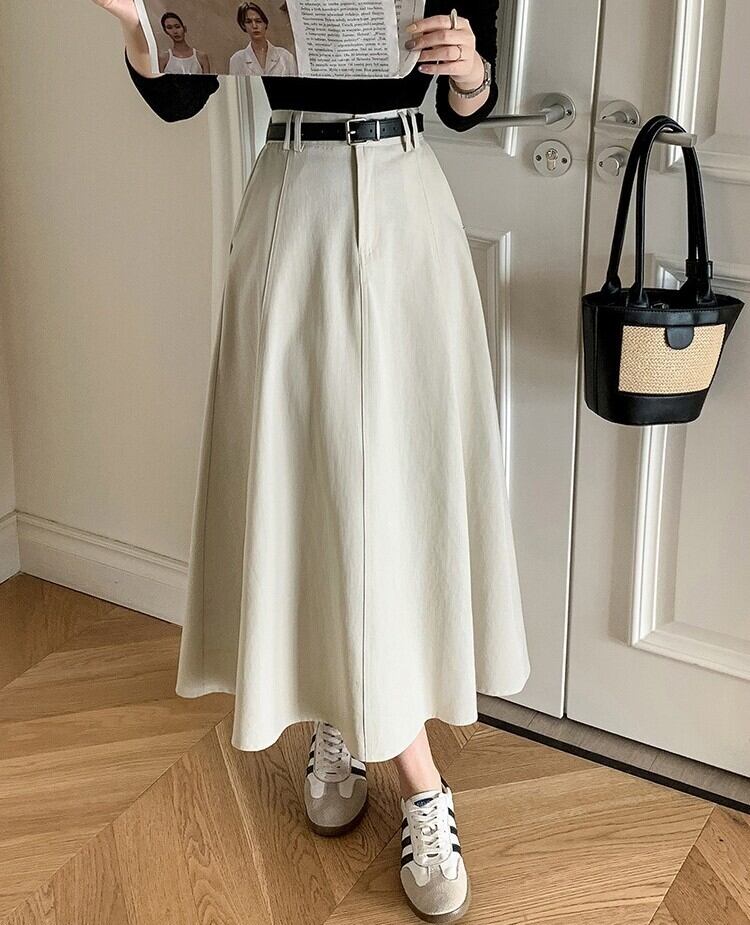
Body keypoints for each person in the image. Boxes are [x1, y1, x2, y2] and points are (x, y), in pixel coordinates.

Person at [93, 0, 531, 920]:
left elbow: (471, 102)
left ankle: (381, 744)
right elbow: (180, 92)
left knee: (395, 485)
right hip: (293, 198)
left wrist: (468, 71)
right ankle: (392, 754)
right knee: (310, 474)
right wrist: (135, 21)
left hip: (407, 205)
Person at [228, 2, 297, 76]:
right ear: (243, 26)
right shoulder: (237, 60)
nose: (254, 26)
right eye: (249, 22)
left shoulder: (286, 57)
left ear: (265, 24)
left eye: (258, 21)